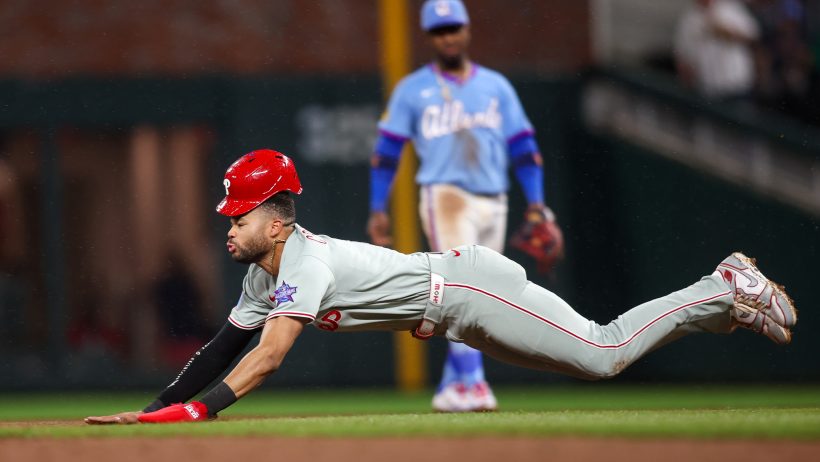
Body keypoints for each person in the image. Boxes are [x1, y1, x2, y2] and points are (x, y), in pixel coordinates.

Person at [85, 149, 798, 425]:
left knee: (603, 354)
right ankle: (717, 309)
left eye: (239, 216)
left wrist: (190, 417)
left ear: (276, 219)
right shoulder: (261, 273)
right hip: (456, 312)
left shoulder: (302, 263)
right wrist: (154, 406)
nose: (228, 227)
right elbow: (221, 349)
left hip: (466, 290)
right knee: (599, 356)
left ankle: (720, 284)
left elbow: (266, 360)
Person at [367, 0, 556, 412]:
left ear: (467, 30)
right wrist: (378, 207)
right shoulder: (412, 89)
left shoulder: (496, 86)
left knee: (484, 293)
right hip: (445, 195)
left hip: (495, 197)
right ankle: (472, 382)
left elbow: (525, 150)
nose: (447, 36)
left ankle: (453, 385)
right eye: (438, 31)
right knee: (462, 287)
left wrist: (537, 203)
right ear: (429, 37)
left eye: (452, 28)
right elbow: (386, 153)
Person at [674, 0, 761, 101]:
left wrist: (725, 32)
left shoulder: (729, 8)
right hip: (707, 87)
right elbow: (682, 54)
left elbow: (752, 35)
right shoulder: (689, 19)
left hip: (736, 84)